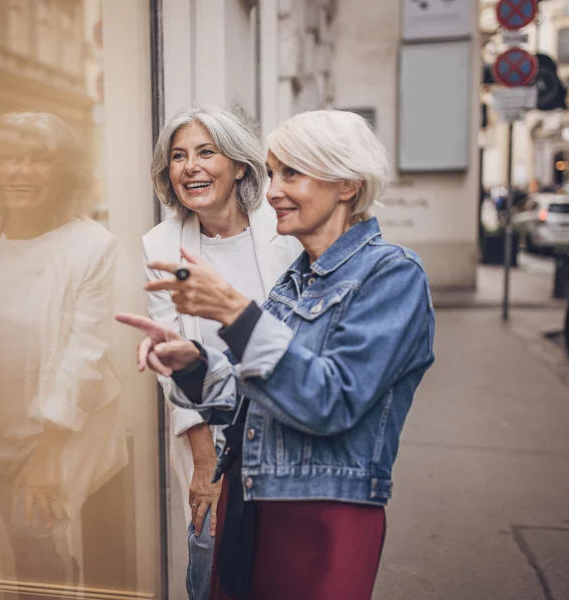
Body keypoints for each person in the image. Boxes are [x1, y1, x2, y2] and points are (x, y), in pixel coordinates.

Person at [118, 110, 436, 600]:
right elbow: (251, 398)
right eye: (273, 173)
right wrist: (192, 365)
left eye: (292, 173)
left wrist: (237, 315)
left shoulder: (393, 274)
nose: (272, 192)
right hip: (254, 504)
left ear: (347, 184)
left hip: (323, 515)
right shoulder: (295, 281)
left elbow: (331, 398)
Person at [0, 112, 128, 584]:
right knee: (15, 551)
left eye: (38, 161)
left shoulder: (90, 246)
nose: (20, 172)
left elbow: (84, 356)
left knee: (37, 554)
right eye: (9, 158)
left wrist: (45, 458)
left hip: (51, 433)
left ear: (64, 172)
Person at [143, 105, 301, 600]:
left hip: (287, 426)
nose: (190, 166)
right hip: (210, 435)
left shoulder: (285, 231)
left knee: (285, 566)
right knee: (211, 562)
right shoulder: (161, 243)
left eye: (206, 152)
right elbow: (172, 361)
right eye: (178, 156)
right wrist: (204, 464)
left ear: (238, 165)